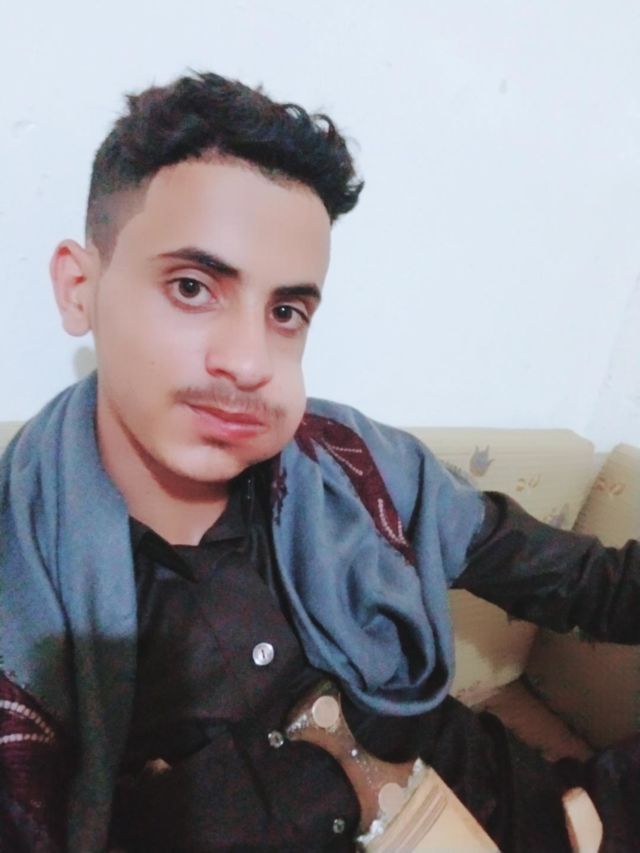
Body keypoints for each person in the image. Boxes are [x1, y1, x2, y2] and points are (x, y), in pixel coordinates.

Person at [1, 71, 639, 853]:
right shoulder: (27, 593)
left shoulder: (364, 469)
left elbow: (586, 582)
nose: (249, 361)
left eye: (285, 311)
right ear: (79, 287)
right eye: (193, 286)